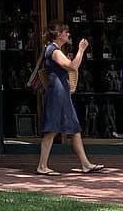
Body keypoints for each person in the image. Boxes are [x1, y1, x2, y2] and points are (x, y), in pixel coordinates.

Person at [37, 23, 105, 175]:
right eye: (66, 32)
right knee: (51, 129)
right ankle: (42, 166)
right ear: (59, 34)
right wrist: (81, 50)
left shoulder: (56, 50)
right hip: (57, 93)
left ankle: (85, 164)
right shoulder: (53, 50)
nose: (68, 34)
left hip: (62, 93)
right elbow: (72, 66)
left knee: (74, 128)